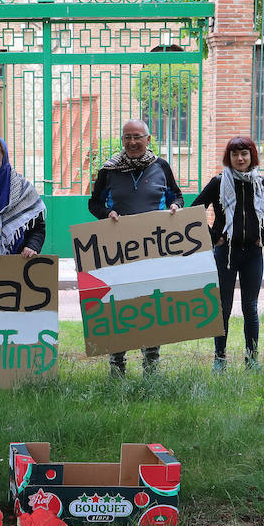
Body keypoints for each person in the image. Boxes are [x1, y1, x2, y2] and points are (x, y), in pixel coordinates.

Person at [87, 119, 186, 376]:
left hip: (154, 252)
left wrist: (176, 206)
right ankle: (116, 366)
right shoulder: (109, 170)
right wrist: (107, 213)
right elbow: (94, 204)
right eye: (127, 137)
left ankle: (151, 366)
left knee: (151, 306)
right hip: (118, 252)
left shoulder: (161, 166)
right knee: (118, 306)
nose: (132, 142)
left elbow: (177, 195)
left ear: (148, 139)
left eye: (137, 137)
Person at [191, 135, 264, 371]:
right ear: (228, 157)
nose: (240, 158)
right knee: (224, 307)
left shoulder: (260, 182)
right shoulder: (219, 182)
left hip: (252, 253)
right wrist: (213, 237)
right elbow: (195, 209)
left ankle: (252, 359)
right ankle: (219, 358)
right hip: (225, 253)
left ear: (251, 156)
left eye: (244, 153)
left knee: (250, 307)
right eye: (234, 154)